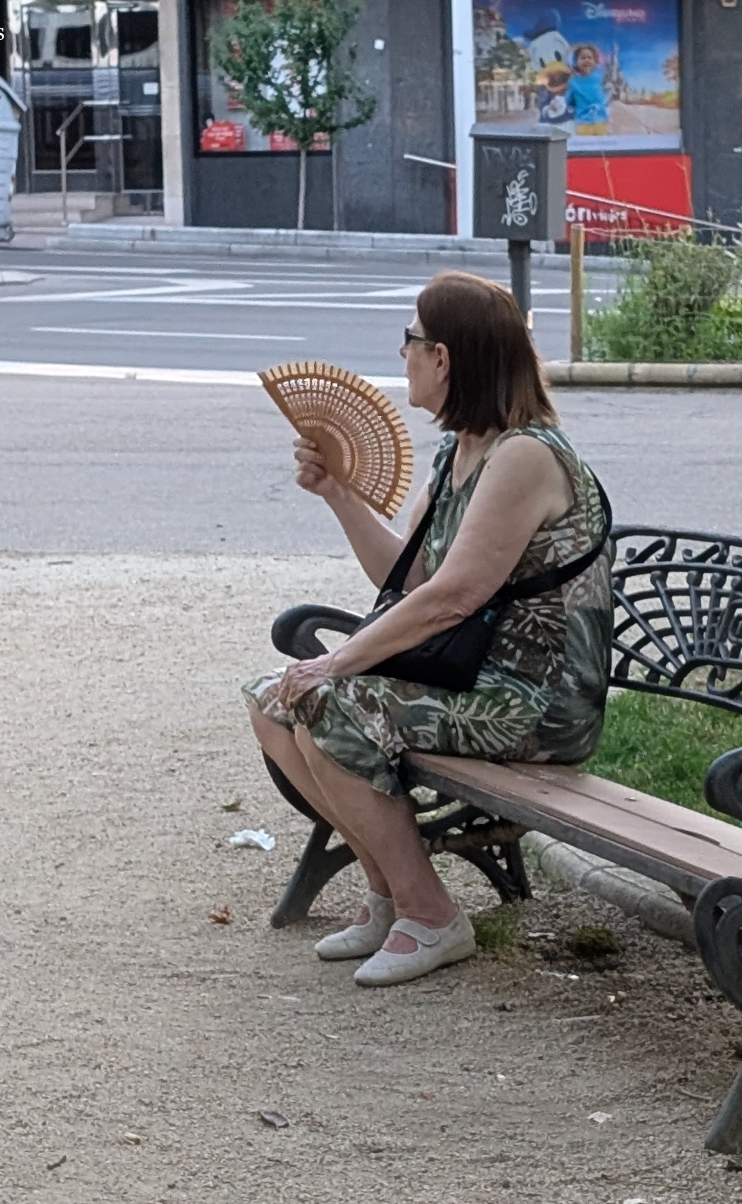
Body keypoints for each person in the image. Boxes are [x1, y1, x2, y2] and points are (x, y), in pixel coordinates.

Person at [243, 271, 613, 988]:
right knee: (273, 700)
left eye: (410, 339)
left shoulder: (525, 456)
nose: (402, 353)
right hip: (475, 679)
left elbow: (454, 597)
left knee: (327, 701)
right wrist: (338, 493)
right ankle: (389, 896)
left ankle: (432, 914)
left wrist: (339, 663)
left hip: (539, 702)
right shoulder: (460, 453)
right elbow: (410, 578)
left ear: (443, 358)